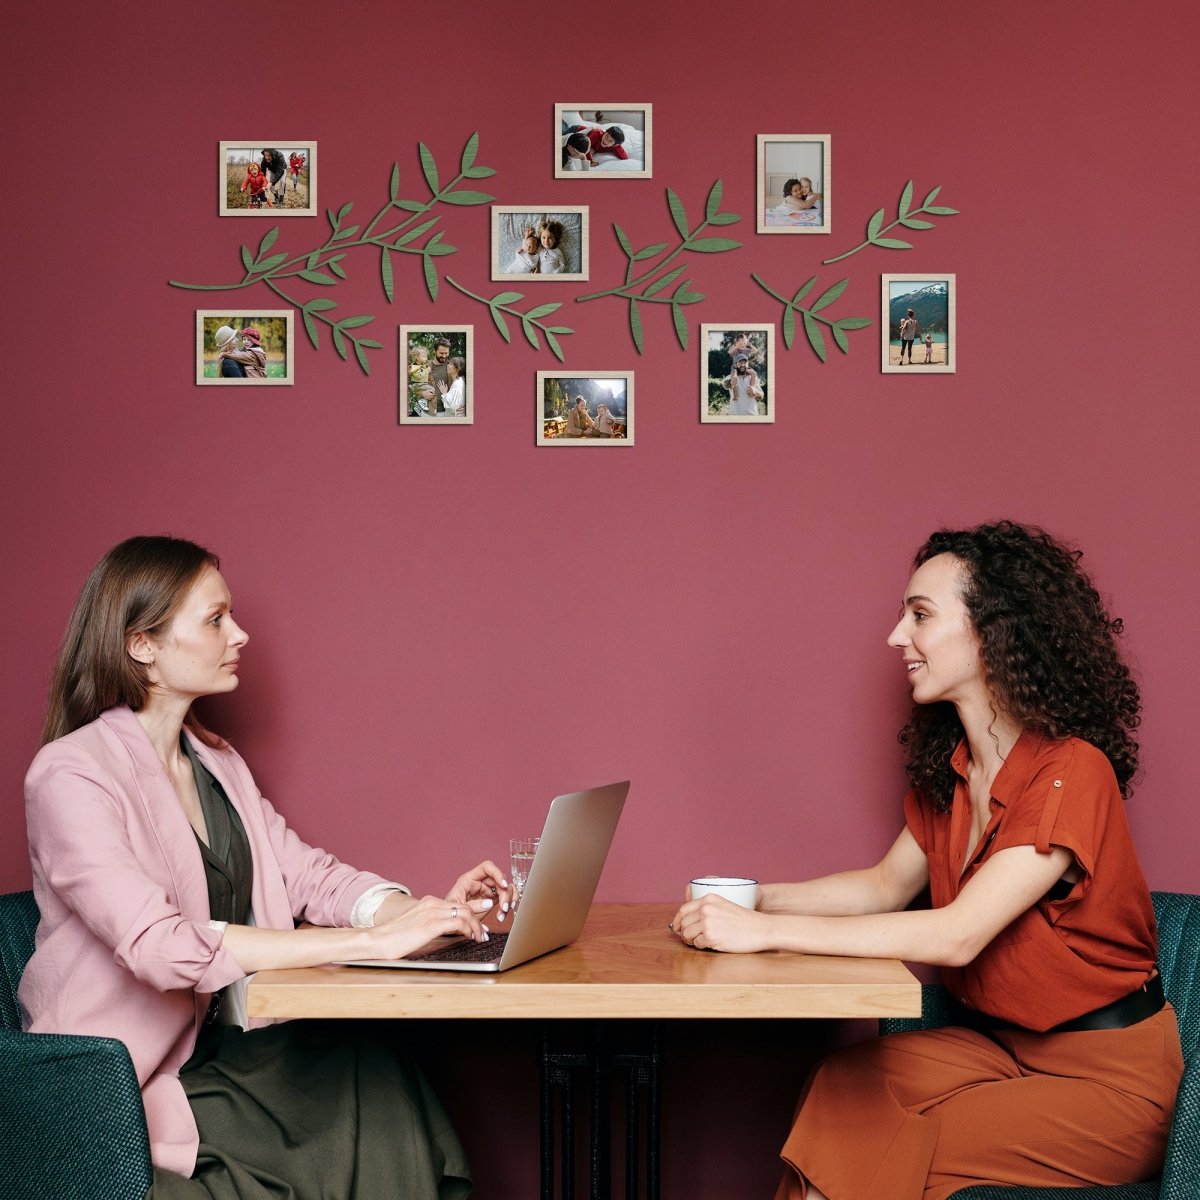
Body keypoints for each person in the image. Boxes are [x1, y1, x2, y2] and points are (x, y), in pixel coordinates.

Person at [670, 521, 1183, 1200]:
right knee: (844, 1089)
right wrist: (750, 900)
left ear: (994, 632)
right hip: (1000, 1049)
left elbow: (958, 932)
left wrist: (760, 934)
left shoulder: (1071, 773)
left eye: (920, 616)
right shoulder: (954, 774)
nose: (895, 637)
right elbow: (881, 887)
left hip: (1109, 1082)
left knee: (882, 1147)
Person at [20, 536, 512, 1198]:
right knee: (360, 1089)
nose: (241, 634)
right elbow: (157, 946)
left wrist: (419, 915)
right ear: (143, 645)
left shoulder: (216, 763)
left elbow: (308, 876)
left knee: (373, 1068)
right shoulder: (70, 775)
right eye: (216, 619)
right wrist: (371, 944)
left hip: (225, 1050)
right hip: (126, 1088)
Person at [726, 352, 764, 416]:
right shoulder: (730, 376)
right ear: (735, 365)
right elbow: (726, 384)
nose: (743, 365)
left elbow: (761, 396)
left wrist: (755, 391)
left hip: (752, 415)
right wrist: (731, 382)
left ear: (748, 364)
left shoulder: (753, 377)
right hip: (735, 416)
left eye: (745, 363)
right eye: (740, 363)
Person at [428, 338, 453, 411]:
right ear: (434, 351)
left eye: (446, 353)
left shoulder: (452, 366)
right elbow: (416, 385)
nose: (444, 356)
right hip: (429, 410)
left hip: (447, 410)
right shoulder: (427, 366)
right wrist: (423, 393)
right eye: (441, 353)